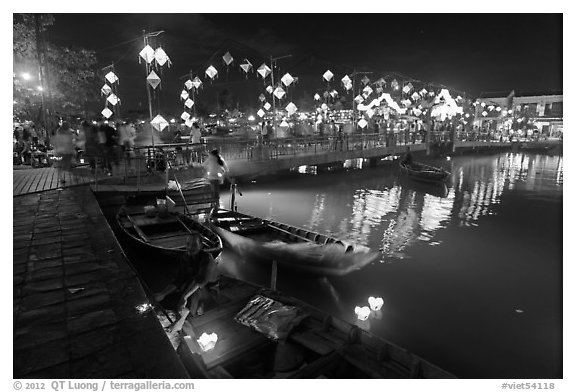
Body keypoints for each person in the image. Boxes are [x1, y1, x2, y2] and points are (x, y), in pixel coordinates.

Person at [154, 233, 219, 333]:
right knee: (166, 296)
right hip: (190, 286)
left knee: (194, 293)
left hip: (209, 291)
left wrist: (184, 297)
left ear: (201, 246)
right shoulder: (185, 257)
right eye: (188, 244)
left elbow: (199, 281)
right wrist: (163, 294)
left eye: (194, 245)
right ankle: (186, 310)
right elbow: (178, 279)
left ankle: (180, 321)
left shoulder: (207, 258)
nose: (190, 248)